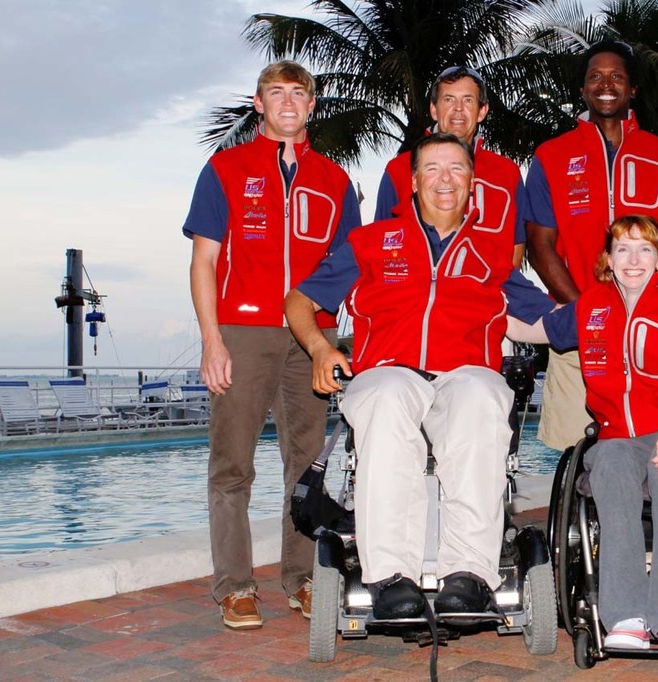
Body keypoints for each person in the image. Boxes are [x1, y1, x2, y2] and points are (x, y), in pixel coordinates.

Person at [284, 133, 554, 619]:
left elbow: (546, 320)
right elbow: (299, 301)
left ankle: (468, 574)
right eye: (432, 169)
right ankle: (390, 576)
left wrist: (614, 311)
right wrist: (321, 348)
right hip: (390, 370)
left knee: (483, 396)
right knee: (385, 398)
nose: (444, 179)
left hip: (464, 373)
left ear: (472, 184)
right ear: (412, 183)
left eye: (456, 169)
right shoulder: (368, 242)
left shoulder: (492, 252)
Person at [182, 60, 362, 630]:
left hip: (312, 336)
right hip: (242, 330)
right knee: (232, 464)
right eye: (275, 92)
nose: (287, 102)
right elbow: (205, 260)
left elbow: (350, 263)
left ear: (312, 106)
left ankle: (301, 577)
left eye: (298, 93)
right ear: (259, 104)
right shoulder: (226, 169)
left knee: (306, 463)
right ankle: (234, 587)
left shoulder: (335, 181)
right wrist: (212, 339)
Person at [510, 214, 658, 650]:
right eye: (623, 249)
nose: (634, 260)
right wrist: (475, 309)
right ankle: (625, 615)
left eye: (645, 249)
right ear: (608, 259)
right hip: (620, 441)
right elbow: (528, 328)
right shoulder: (590, 308)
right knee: (609, 459)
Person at [524, 39, 658, 451]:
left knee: (648, 449)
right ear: (583, 90)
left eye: (617, 76)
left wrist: (646, 307)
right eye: (595, 77)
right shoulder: (551, 156)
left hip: (652, 332)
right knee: (573, 449)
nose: (606, 84)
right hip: (577, 330)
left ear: (632, 89)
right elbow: (540, 244)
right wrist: (590, 315)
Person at [375, 66, 527, 267]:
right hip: (419, 296)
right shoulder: (399, 170)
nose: (458, 109)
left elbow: (516, 248)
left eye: (468, 100)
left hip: (486, 296)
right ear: (433, 109)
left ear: (482, 111)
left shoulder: (507, 174)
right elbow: (381, 245)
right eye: (448, 100)